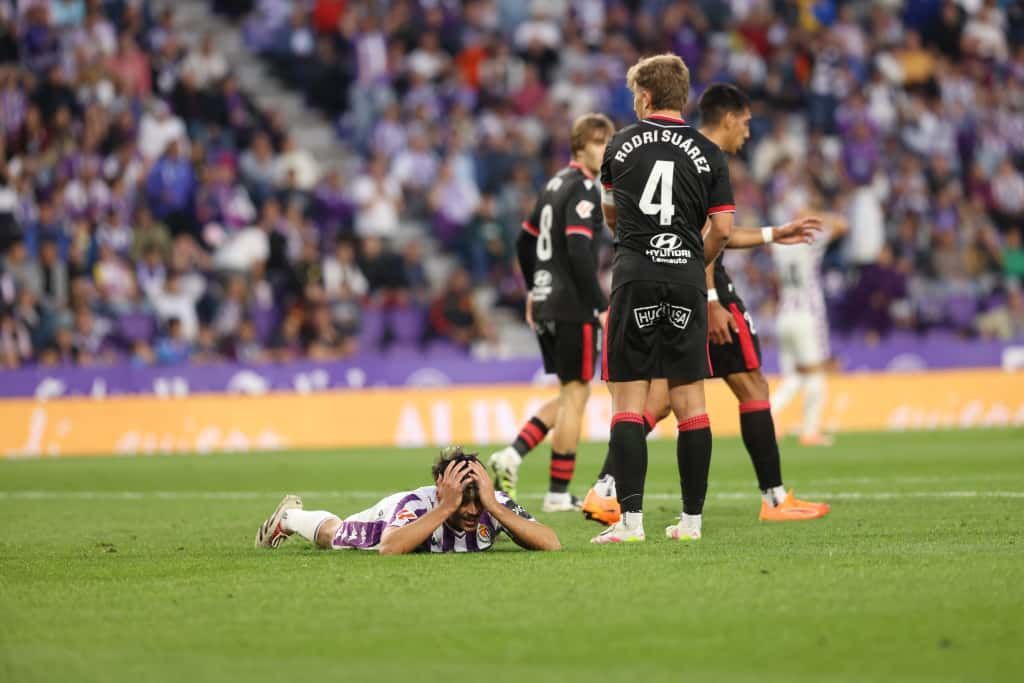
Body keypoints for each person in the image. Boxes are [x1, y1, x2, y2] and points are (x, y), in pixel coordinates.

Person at [582, 84, 832, 528]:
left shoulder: (668, 152)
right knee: (736, 387)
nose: (749, 134)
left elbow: (714, 232)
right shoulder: (701, 156)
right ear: (729, 119)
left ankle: (606, 489)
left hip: (676, 279)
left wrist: (775, 233)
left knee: (661, 398)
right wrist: (712, 296)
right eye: (747, 123)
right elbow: (708, 236)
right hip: (699, 286)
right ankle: (771, 498)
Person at [591, 54, 734, 544]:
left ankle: (631, 524)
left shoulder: (619, 144)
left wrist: (640, 239)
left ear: (646, 97)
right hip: (687, 280)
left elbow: (611, 215)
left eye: (636, 95)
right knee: (691, 400)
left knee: (628, 400)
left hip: (635, 276)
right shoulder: (709, 151)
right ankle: (691, 523)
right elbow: (724, 229)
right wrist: (693, 258)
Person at [488, 113, 614, 512]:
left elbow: (524, 243)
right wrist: (600, 305)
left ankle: (511, 455)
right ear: (580, 146)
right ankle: (558, 494)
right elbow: (578, 250)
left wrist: (533, 287)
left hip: (547, 300)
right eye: (598, 143)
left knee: (568, 393)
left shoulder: (553, 185)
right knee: (577, 395)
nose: (605, 150)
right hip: (572, 304)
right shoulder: (583, 188)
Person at [255, 448, 561, 554]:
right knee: (334, 535)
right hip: (388, 521)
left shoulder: (490, 502)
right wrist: (445, 508)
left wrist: (493, 506)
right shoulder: (417, 506)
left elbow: (551, 542)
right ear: (443, 492)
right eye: (462, 502)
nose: (471, 511)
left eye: (476, 503)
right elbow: (389, 548)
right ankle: (289, 518)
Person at [770, 209, 849, 445]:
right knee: (815, 375)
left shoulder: (778, 244)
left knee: (793, 377)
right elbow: (843, 225)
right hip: (807, 315)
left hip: (784, 314)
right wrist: (816, 213)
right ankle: (810, 431)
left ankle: (766, 419)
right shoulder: (809, 239)